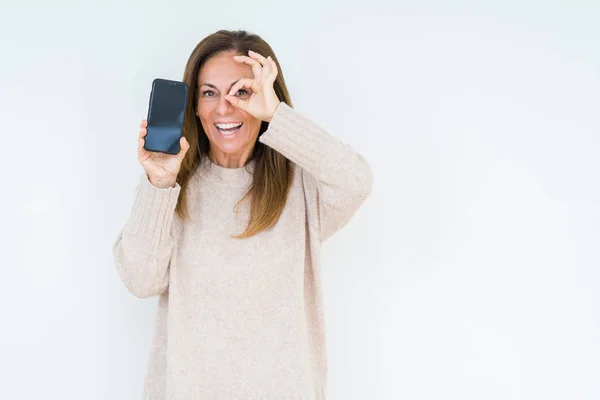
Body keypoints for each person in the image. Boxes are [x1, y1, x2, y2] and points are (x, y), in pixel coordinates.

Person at [113, 29, 373, 399]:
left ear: (265, 98)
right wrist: (158, 184)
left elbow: (357, 180)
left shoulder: (301, 188)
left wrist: (278, 116)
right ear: (195, 105)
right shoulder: (172, 189)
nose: (224, 108)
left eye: (242, 92)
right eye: (209, 93)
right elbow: (139, 279)